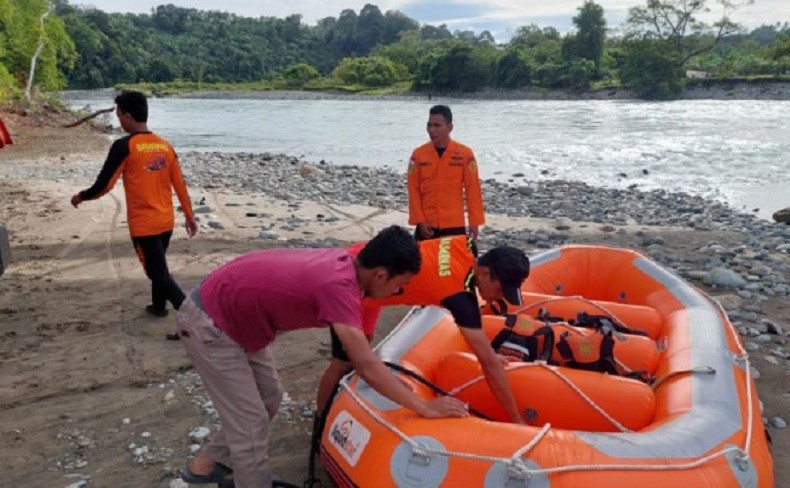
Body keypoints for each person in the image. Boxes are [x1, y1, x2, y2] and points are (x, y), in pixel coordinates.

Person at [176, 226, 468, 488]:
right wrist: (425, 407)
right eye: (398, 284)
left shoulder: (346, 264)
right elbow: (364, 364)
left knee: (270, 396)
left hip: (241, 321)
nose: (398, 291)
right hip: (211, 324)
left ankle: (207, 465)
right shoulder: (338, 287)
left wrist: (390, 380)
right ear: (381, 273)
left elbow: (365, 358)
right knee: (250, 422)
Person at [316, 234, 530, 425]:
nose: (500, 297)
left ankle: (366, 384)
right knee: (342, 362)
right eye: (501, 289)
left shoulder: (465, 244)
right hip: (356, 282)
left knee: (365, 342)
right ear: (484, 273)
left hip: (374, 273)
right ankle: (321, 422)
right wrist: (515, 418)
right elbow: (488, 364)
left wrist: (490, 355)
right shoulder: (459, 297)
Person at [71, 90, 197, 334]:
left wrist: (82, 196)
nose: (118, 121)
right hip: (165, 220)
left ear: (128, 116)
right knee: (159, 268)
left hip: (144, 224)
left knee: (156, 272)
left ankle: (195, 319)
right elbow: (179, 183)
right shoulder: (165, 145)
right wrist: (190, 216)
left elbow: (104, 185)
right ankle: (159, 307)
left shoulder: (125, 146)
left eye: (119, 116)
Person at [408, 105, 485, 242]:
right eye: (429, 125)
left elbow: (472, 189)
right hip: (427, 225)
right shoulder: (418, 154)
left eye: (437, 125)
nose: (432, 130)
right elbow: (413, 189)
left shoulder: (464, 154)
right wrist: (420, 220)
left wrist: (474, 221)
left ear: (450, 127)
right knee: (424, 262)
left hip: (454, 224)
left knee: (452, 262)